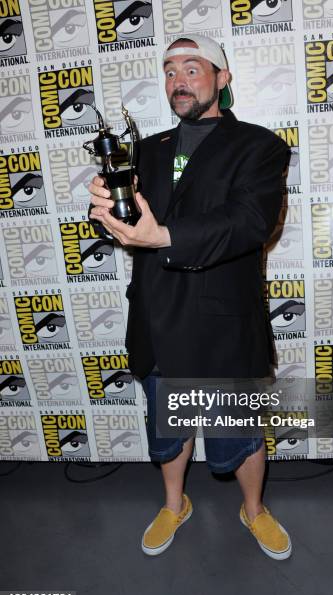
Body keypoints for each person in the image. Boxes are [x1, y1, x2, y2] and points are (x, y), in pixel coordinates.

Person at [88, 34, 291, 560]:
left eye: (193, 68)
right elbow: (139, 223)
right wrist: (114, 219)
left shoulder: (259, 145)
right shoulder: (147, 150)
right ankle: (175, 504)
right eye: (170, 70)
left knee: (240, 434)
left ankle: (255, 510)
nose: (179, 79)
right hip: (157, 319)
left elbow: (249, 223)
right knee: (168, 431)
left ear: (222, 79)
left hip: (223, 324)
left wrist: (161, 236)